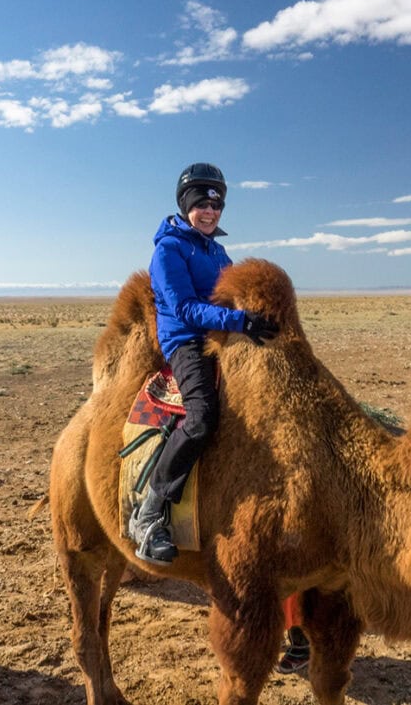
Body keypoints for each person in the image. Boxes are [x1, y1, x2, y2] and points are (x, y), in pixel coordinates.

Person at [129, 162, 279, 565]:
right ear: (185, 205)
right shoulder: (169, 250)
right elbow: (185, 308)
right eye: (201, 204)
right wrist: (238, 321)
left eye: (216, 205)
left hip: (222, 340)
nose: (209, 212)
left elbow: (231, 299)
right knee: (202, 418)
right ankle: (149, 514)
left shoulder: (218, 251)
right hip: (187, 344)